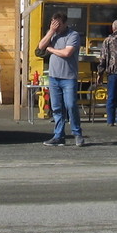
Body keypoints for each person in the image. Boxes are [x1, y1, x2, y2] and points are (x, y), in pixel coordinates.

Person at [37, 10, 83, 147]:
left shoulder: (73, 35)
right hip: (53, 76)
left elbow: (67, 53)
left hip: (68, 77)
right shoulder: (52, 34)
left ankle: (77, 133)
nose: (56, 27)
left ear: (65, 23)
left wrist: (50, 50)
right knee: (56, 107)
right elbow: (40, 47)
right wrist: (51, 32)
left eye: (58, 24)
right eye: (53, 23)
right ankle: (58, 135)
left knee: (70, 105)